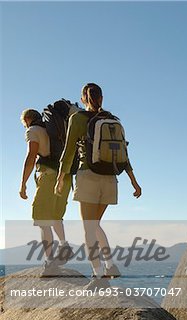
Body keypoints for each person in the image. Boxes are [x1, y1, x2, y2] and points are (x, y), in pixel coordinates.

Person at [55, 83, 142, 289]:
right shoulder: (113, 120)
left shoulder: (77, 119)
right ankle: (110, 266)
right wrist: (134, 181)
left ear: (83, 99)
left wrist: (60, 178)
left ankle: (98, 275)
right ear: (101, 98)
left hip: (89, 176)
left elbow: (68, 152)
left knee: (88, 228)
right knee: (95, 225)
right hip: (111, 179)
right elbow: (124, 155)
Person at [19, 109, 73, 277]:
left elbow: (31, 155)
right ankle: (64, 246)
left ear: (27, 120)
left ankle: (50, 263)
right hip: (65, 177)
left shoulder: (33, 131)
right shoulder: (53, 131)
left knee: (43, 220)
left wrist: (23, 184)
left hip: (48, 177)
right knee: (56, 216)